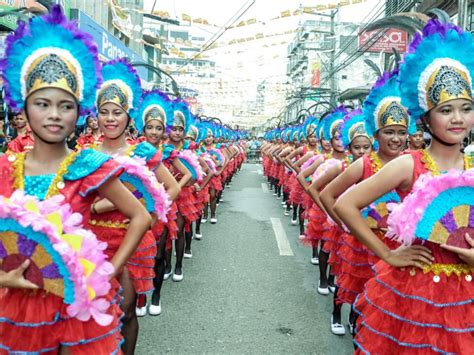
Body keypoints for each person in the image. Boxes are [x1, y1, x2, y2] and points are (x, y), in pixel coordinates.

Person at [0, 6, 151, 353]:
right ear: (23, 108)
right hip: (12, 304)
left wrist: (107, 272)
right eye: (42, 103)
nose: (54, 115)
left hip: (73, 307)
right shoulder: (5, 167)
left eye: (65, 106)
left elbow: (141, 215)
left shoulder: (87, 164)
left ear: (79, 112)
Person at [334, 20, 474, 353]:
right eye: (446, 110)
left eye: (466, 109)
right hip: (416, 294)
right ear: (425, 117)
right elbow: (344, 205)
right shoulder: (408, 164)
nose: (458, 119)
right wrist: (387, 254)